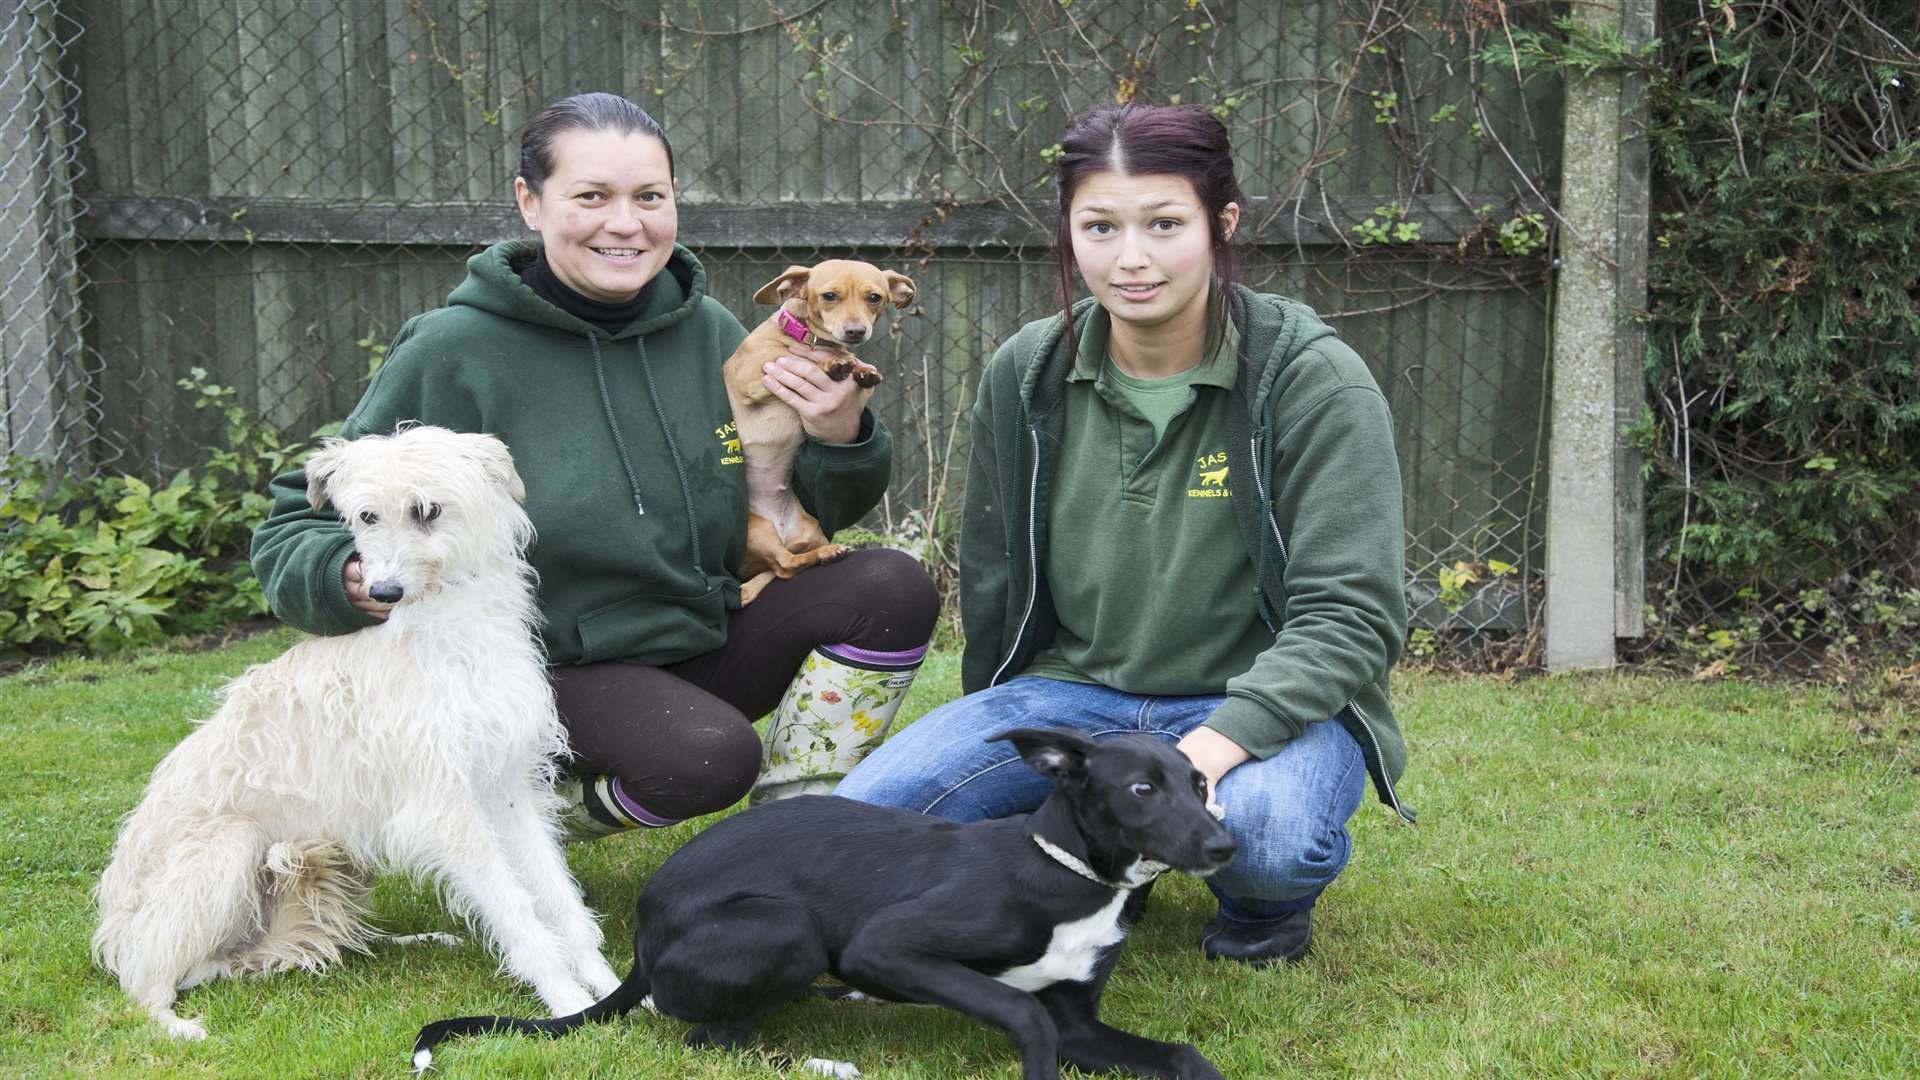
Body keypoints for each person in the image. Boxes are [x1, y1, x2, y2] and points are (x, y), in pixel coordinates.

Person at [251, 92, 940, 835]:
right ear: (530, 202)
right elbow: (296, 523)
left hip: (701, 633)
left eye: (649, 196)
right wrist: (346, 577)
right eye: (591, 196)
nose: (625, 223)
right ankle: (523, 815)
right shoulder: (454, 351)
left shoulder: (710, 331)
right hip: (544, 669)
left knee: (890, 584)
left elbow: (794, 506)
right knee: (707, 758)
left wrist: (841, 438)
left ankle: (797, 826)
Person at [835, 103, 1413, 967]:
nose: (1131, 257)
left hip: (1251, 704)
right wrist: (1003, 729)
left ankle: (1263, 915)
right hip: (1078, 696)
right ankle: (1095, 864)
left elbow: (1354, 614)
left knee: (1266, 836)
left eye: (1165, 224)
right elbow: (995, 575)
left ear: (1222, 226)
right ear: (1069, 235)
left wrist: (1201, 757)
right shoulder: (1026, 373)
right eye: (1100, 226)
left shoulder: (1310, 378)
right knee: (871, 820)